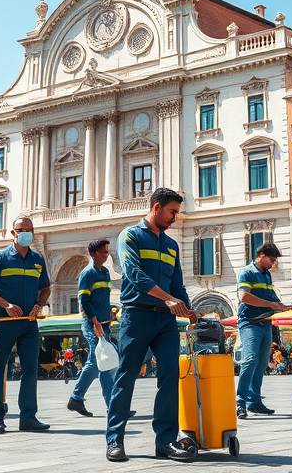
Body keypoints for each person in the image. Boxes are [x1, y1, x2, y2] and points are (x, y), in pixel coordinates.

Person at [105, 188, 198, 463]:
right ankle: (114, 440)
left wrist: (189, 309)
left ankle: (165, 441)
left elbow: (177, 283)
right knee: (126, 377)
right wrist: (169, 299)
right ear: (156, 207)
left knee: (170, 375)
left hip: (166, 320)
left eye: (177, 213)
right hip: (137, 316)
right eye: (172, 212)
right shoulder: (130, 235)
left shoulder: (172, 245)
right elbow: (134, 275)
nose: (174, 218)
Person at [0, 215, 51, 434]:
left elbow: (46, 288)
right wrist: (6, 305)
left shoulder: (37, 259)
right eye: (21, 229)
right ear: (13, 233)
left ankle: (28, 417)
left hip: (29, 323)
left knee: (30, 368)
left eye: (29, 229)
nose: (25, 232)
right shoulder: (0, 258)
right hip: (4, 322)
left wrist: (40, 304)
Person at [67, 238, 121, 417]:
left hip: (104, 324)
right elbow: (84, 299)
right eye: (102, 251)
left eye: (107, 251)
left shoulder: (105, 272)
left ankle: (107, 404)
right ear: (93, 254)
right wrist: (94, 320)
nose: (106, 254)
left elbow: (103, 298)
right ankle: (78, 398)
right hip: (93, 324)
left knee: (103, 364)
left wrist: (109, 314)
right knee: (97, 362)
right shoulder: (88, 273)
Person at [235, 242, 285, 419]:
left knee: (262, 362)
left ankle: (254, 402)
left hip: (266, 323)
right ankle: (240, 401)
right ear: (262, 255)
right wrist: (271, 304)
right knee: (250, 360)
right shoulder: (247, 272)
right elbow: (244, 296)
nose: (273, 264)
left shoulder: (267, 276)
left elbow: (271, 296)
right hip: (250, 322)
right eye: (271, 260)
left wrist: (281, 305)